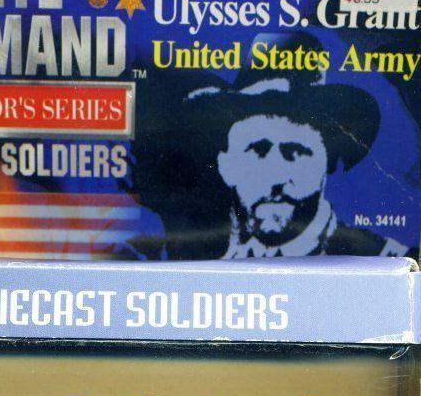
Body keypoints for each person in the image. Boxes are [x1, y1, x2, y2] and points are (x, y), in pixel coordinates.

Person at [127, 33, 415, 260]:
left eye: (296, 153)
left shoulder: (382, 261)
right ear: (226, 164)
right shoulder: (178, 256)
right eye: (257, 151)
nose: (276, 176)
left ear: (326, 162)